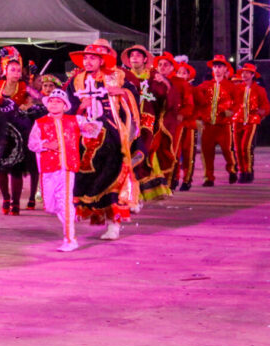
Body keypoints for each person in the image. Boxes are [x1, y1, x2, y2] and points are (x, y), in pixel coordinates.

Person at [65, 40, 139, 240]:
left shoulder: (117, 76)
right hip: (85, 136)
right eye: (85, 58)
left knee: (113, 176)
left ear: (101, 60)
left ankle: (114, 223)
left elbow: (134, 94)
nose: (88, 62)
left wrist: (123, 93)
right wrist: (80, 107)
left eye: (92, 58)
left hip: (112, 134)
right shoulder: (76, 81)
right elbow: (67, 106)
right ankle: (86, 215)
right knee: (85, 176)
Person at [28, 89, 86, 252]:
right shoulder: (40, 123)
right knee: (51, 205)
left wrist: (89, 120)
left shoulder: (74, 121)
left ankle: (70, 239)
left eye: (58, 101)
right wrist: (46, 145)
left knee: (64, 202)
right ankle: (71, 217)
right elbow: (32, 144)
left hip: (66, 168)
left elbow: (93, 129)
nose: (54, 104)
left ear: (65, 105)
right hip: (48, 168)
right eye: (51, 101)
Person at [0, 47, 42, 215]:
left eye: (18, 70)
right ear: (5, 71)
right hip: (1, 130)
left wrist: (27, 104)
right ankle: (6, 198)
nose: (16, 73)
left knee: (16, 168)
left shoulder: (24, 86)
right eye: (12, 70)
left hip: (19, 131)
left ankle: (15, 202)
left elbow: (38, 98)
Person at [120, 44, 171, 203]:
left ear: (144, 59)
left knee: (144, 154)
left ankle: (143, 191)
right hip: (128, 121)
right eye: (132, 55)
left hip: (147, 121)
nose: (134, 58)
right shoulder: (123, 76)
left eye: (138, 55)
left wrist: (165, 83)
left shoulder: (153, 76)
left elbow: (165, 97)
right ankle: (134, 192)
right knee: (129, 154)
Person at [152, 53, 194, 192]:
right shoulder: (152, 81)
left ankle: (170, 181)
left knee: (171, 152)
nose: (162, 67)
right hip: (155, 122)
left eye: (166, 65)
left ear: (172, 68)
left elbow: (189, 105)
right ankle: (156, 181)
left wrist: (181, 115)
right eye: (160, 65)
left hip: (174, 123)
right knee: (153, 151)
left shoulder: (180, 83)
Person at [194, 55, 238, 187]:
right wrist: (198, 117)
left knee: (226, 150)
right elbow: (196, 100)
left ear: (225, 69)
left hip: (223, 125)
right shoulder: (206, 85)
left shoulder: (231, 86)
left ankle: (231, 169)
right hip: (208, 125)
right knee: (207, 152)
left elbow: (238, 103)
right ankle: (209, 177)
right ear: (212, 69)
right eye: (215, 67)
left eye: (220, 67)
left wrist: (231, 112)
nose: (217, 69)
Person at [230, 62, 270, 184]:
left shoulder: (259, 90)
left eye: (247, 73)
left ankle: (248, 171)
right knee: (237, 148)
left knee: (245, 147)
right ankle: (242, 172)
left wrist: (259, 112)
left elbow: (265, 106)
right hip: (237, 120)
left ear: (253, 75)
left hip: (251, 121)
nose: (244, 75)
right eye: (243, 72)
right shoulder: (237, 88)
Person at [170, 59, 199, 191]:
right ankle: (174, 178)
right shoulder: (173, 86)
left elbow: (201, 106)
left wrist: (196, 117)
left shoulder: (194, 90)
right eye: (179, 72)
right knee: (175, 152)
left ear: (189, 75)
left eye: (184, 73)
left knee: (188, 153)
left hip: (190, 125)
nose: (181, 75)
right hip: (177, 125)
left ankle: (187, 180)